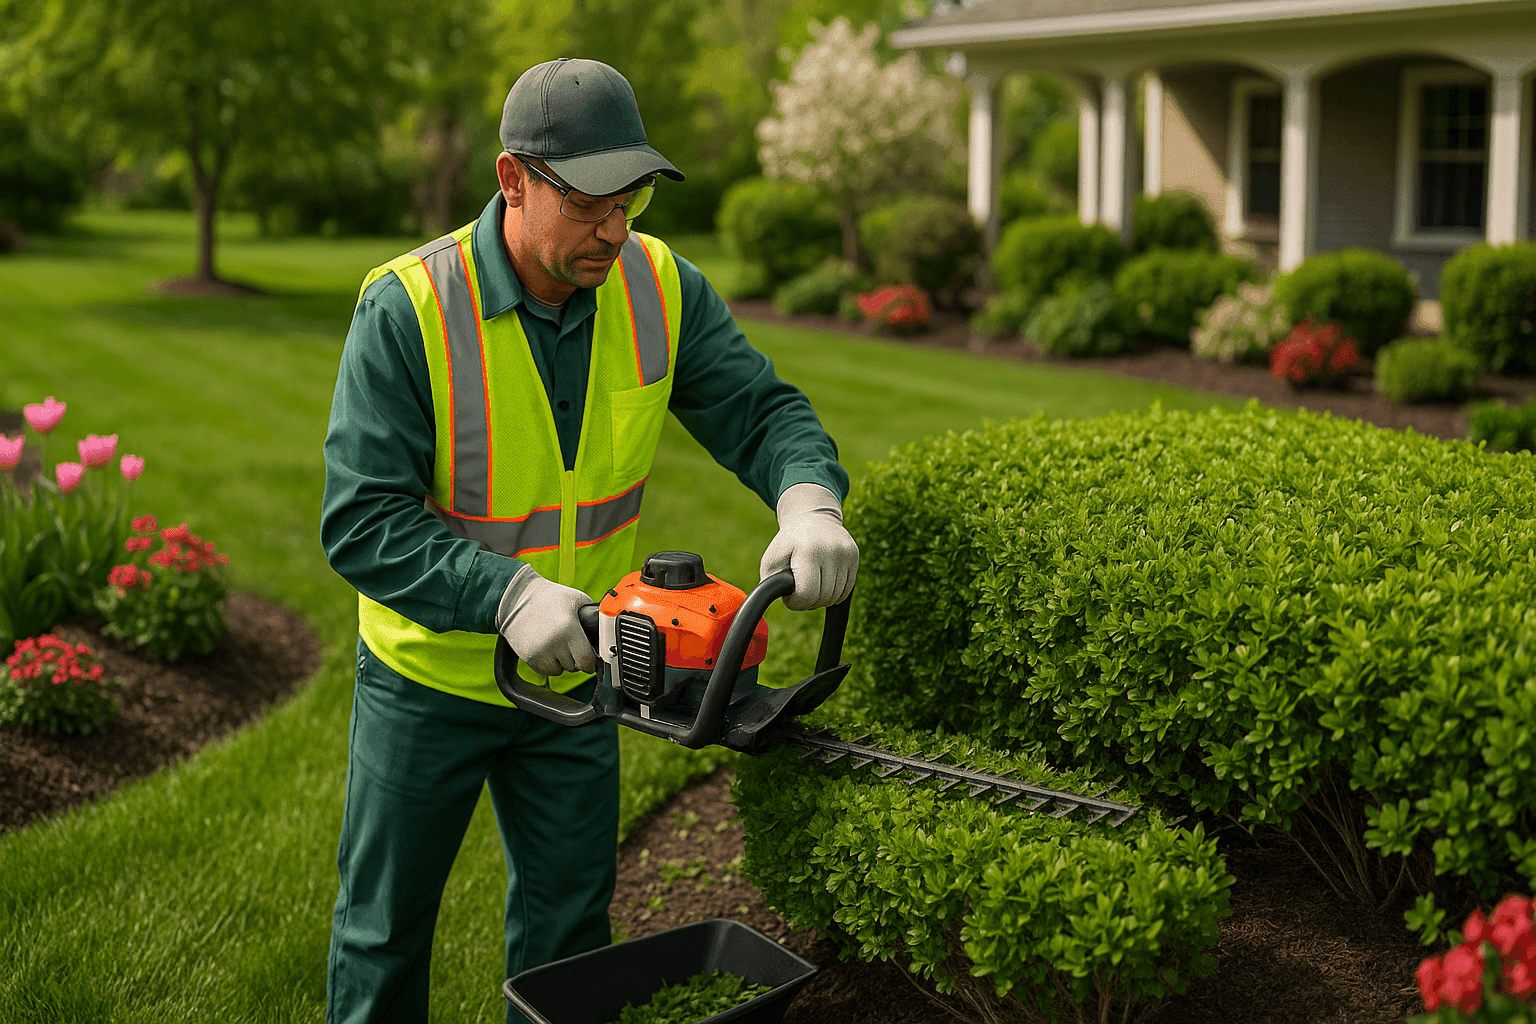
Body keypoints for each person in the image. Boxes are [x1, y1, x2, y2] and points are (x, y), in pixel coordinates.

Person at [319, 57, 859, 1024]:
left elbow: (760, 411)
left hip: (587, 675)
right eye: (590, 200)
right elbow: (362, 521)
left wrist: (809, 498)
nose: (617, 226)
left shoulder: (659, 286)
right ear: (513, 180)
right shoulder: (408, 309)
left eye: (635, 194)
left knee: (572, 936)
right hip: (426, 685)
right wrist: (508, 597)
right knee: (383, 933)